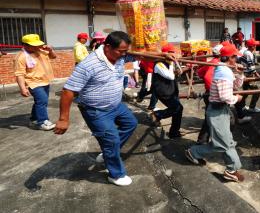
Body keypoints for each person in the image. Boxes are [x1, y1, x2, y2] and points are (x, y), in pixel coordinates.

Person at [54, 31, 138, 186]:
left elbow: (140, 55)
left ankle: (108, 152)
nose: (124, 55)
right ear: (107, 47)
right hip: (96, 110)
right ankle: (116, 174)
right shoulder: (88, 65)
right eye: (121, 51)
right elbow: (68, 91)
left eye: (125, 51)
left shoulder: (120, 56)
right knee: (111, 139)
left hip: (116, 105)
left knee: (131, 123)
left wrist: (163, 55)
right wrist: (63, 119)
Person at [186, 43, 246, 182]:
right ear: (230, 57)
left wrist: (240, 73)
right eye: (235, 57)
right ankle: (194, 152)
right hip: (217, 111)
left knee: (227, 141)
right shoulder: (223, 71)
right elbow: (226, 96)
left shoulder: (226, 70)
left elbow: (236, 85)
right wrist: (237, 98)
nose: (236, 59)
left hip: (221, 110)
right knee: (223, 144)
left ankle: (232, 168)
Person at [14, 34, 57, 131]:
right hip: (33, 82)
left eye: (37, 44)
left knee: (40, 101)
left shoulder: (41, 51)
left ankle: (33, 119)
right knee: (42, 101)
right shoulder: (21, 57)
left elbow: (53, 57)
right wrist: (22, 88)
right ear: (25, 45)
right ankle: (43, 121)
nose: (37, 46)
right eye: (34, 45)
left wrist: (50, 50)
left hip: (45, 80)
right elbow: (19, 74)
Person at [149, 44, 184, 138]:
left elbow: (180, 72)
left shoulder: (170, 63)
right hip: (163, 92)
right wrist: (172, 63)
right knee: (177, 108)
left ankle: (174, 132)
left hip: (172, 90)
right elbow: (171, 76)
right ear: (166, 54)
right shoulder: (159, 64)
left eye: (174, 53)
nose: (174, 55)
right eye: (172, 53)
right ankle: (157, 114)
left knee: (178, 109)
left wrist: (176, 63)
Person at [196, 44, 223, 144]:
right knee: (210, 119)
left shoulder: (211, 63)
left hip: (210, 93)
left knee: (211, 118)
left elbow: (200, 73)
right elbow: (207, 77)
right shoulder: (220, 65)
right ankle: (202, 141)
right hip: (215, 94)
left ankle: (205, 140)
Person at [239, 38, 260, 115]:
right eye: (254, 45)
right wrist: (256, 73)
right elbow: (250, 65)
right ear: (251, 46)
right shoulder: (248, 53)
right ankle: (252, 107)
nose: (255, 46)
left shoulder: (247, 52)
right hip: (248, 75)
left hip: (245, 74)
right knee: (257, 91)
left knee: (245, 92)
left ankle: (242, 105)